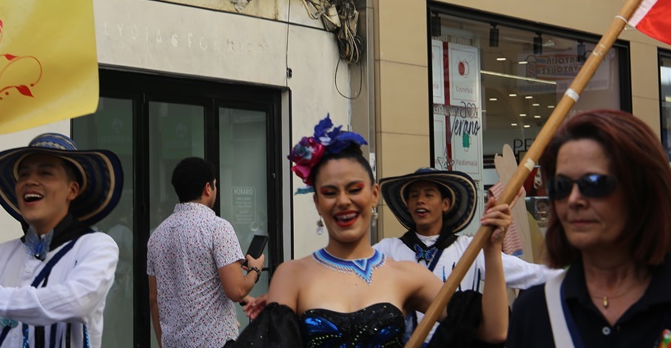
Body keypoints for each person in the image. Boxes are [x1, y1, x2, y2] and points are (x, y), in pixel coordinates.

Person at [233, 116, 510, 347]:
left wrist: (493, 251)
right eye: (330, 192)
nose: (343, 201)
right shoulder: (291, 275)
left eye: (354, 189)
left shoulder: (408, 275)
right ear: (317, 202)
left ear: (374, 194)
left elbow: (493, 330)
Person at [507, 109, 671, 347]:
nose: (574, 200)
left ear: (642, 191)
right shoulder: (535, 310)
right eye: (561, 186)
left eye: (594, 182)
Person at [0, 133, 122, 347]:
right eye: (23, 174)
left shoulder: (96, 246)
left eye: (45, 173)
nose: (30, 181)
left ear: (72, 190)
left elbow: (77, 302)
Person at [374, 168, 555, 341]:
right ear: (407, 205)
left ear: (445, 204)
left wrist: (574, 274)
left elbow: (528, 273)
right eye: (414, 196)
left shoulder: (470, 249)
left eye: (429, 195)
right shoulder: (389, 250)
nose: (420, 200)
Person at [147, 157, 265, 348]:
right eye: (215, 185)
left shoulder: (157, 236)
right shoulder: (218, 228)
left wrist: (163, 343)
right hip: (214, 342)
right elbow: (236, 290)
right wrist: (255, 270)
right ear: (208, 188)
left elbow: (155, 298)